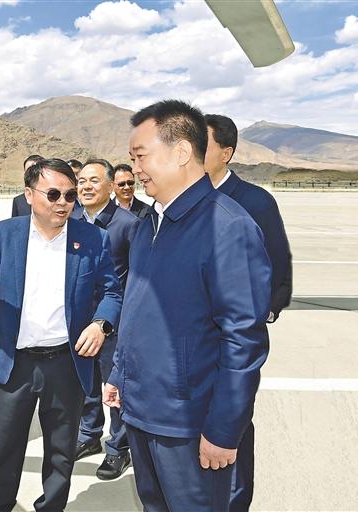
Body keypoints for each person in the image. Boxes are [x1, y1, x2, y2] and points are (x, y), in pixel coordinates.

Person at [104, 100, 271, 511]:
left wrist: (224, 429)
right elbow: (137, 310)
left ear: (180, 152)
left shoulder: (227, 227)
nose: (135, 169)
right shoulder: (149, 224)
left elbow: (243, 341)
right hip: (142, 413)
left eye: (140, 156)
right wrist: (120, 374)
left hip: (190, 425)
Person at [0, 158, 122, 511]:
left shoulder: (93, 238)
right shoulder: (5, 234)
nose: (64, 203)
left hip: (66, 363)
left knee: (61, 452)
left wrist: (100, 324)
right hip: (16, 363)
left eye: (70, 195)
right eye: (54, 194)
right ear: (29, 194)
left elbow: (112, 291)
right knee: (6, 449)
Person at [205, 113, 293, 511]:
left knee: (233, 422)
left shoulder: (255, 201)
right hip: (194, 338)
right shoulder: (182, 199)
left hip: (234, 337)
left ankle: (235, 502)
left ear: (226, 153)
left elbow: (278, 262)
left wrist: (264, 312)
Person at [71, 159, 139, 480]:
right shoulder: (70, 220)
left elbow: (138, 279)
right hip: (79, 322)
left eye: (94, 180)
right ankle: (89, 435)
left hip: (114, 324)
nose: (86, 186)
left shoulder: (127, 225)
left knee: (116, 388)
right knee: (85, 384)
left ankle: (118, 448)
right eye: (82, 181)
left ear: (111, 186)